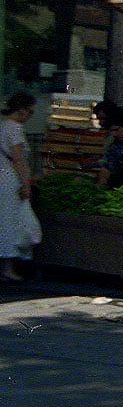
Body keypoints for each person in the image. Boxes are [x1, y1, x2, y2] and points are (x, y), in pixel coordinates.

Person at [0, 93, 41, 281]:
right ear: (22, 109)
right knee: (10, 223)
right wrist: (26, 185)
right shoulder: (15, 129)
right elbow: (18, 159)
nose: (30, 115)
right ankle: (8, 268)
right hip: (10, 179)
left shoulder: (2, 126)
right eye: (31, 111)